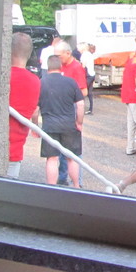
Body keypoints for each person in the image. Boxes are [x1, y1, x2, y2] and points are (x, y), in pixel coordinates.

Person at [38, 55, 84, 188]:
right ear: (60, 66)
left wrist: (34, 126)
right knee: (72, 157)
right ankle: (76, 186)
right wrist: (79, 122)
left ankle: (51, 188)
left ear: (48, 67)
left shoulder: (41, 83)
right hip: (69, 125)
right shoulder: (71, 82)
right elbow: (80, 104)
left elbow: (35, 109)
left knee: (52, 158)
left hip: (49, 126)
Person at [8, 32, 41, 178]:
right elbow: (34, 111)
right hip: (16, 152)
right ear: (29, 54)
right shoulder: (35, 82)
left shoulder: (2, 77)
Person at [79, 41, 96, 114]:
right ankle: (90, 109)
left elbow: (83, 66)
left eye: (78, 48)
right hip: (92, 75)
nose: (78, 49)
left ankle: (80, 109)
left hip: (87, 75)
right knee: (89, 93)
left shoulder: (84, 55)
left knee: (82, 92)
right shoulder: (89, 54)